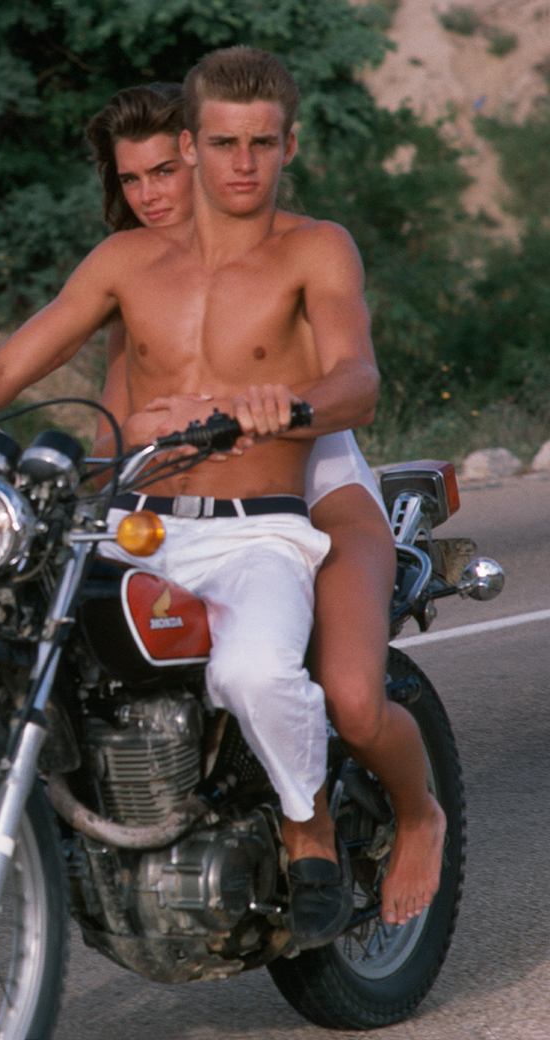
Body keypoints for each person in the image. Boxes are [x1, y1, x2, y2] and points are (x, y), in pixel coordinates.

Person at [0, 49, 428, 943]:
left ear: (289, 146)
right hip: (141, 526)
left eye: (263, 144)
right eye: (225, 144)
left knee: (255, 673)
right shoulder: (126, 260)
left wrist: (286, 406)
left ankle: (311, 822)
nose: (243, 164)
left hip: (260, 532)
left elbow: (359, 377)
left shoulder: (315, 249)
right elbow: (5, 369)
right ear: (194, 145)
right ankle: (33, 813)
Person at [85, 83, 444, 930]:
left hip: (318, 488)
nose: (155, 195)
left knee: (352, 699)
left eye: (169, 170)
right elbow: (112, 420)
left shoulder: (298, 255)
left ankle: (414, 811)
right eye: (134, 181)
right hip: (186, 508)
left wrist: (288, 408)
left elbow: (355, 380)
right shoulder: (140, 272)